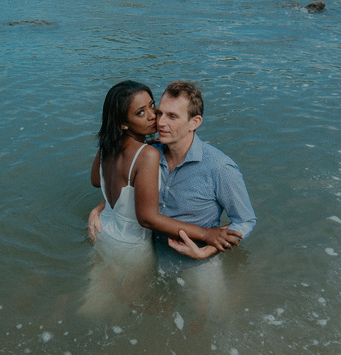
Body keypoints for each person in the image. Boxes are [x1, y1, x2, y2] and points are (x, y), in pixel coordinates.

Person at [90, 80, 256, 319]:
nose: (159, 122)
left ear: (194, 122)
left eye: (172, 117)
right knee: (146, 318)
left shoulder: (219, 167)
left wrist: (207, 250)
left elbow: (246, 220)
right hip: (152, 254)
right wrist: (102, 206)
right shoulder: (150, 152)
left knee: (210, 320)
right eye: (160, 113)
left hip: (195, 262)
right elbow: (123, 186)